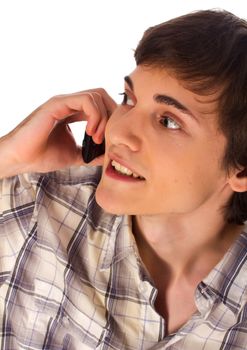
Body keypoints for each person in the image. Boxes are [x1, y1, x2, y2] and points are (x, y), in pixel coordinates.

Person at [0, 8, 247, 350]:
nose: (121, 132)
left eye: (169, 121)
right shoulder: (41, 203)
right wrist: (8, 155)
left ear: (241, 168)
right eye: (128, 99)